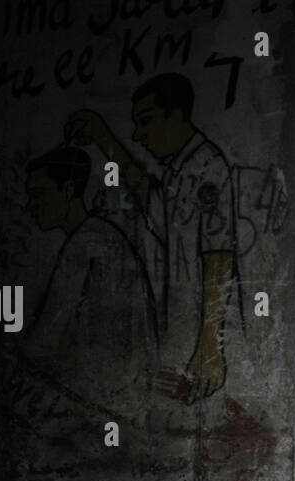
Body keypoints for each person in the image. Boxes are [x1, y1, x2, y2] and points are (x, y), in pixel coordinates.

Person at [65, 73, 236, 403]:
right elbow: (149, 199)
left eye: (146, 121)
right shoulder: (181, 169)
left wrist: (210, 346)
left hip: (196, 345)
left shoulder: (207, 167)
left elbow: (219, 258)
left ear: (176, 115)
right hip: (177, 338)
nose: (139, 134)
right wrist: (103, 136)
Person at [19, 146, 159, 420]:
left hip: (100, 398)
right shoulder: (103, 234)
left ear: (69, 189)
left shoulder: (85, 243)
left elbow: (44, 341)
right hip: (128, 391)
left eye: (38, 194)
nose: (30, 205)